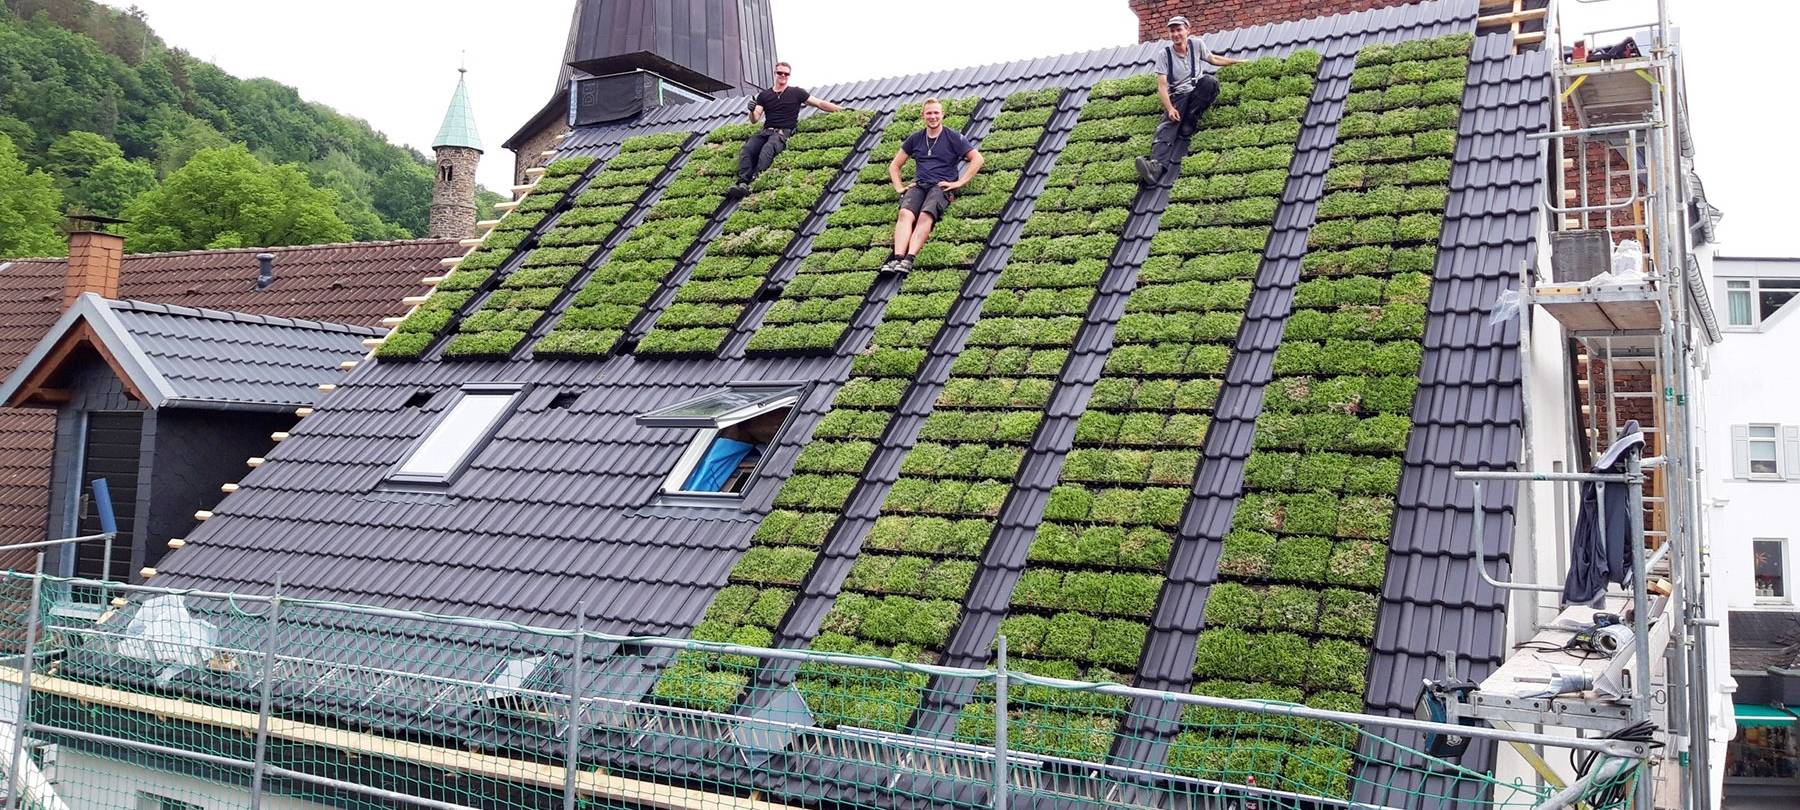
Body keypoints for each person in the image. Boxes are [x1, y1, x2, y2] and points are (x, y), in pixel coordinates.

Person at [1135, 15, 1243, 186]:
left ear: (1187, 30)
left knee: (1210, 82)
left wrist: (1237, 62)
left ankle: (1189, 122)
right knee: (1166, 128)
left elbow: (1213, 59)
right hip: (1179, 96)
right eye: (1172, 31)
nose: (1176, 34)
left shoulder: (1197, 44)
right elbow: (1162, 86)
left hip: (1197, 91)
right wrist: (1170, 108)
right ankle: (1155, 168)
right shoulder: (1164, 55)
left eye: (1179, 30)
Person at [882, 98, 984, 275]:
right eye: (929, 113)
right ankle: (897, 258)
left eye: (936, 112)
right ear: (923, 116)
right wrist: (899, 187)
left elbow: (977, 158)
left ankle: (909, 258)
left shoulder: (953, 137)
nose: (933, 116)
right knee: (904, 213)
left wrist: (959, 183)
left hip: (941, 186)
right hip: (920, 185)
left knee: (925, 215)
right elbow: (894, 165)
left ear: (942, 114)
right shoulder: (915, 139)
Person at [729, 62, 843, 197]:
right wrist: (751, 110)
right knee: (747, 149)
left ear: (789, 76)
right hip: (766, 131)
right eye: (780, 73)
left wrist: (841, 110)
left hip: (783, 132)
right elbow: (755, 119)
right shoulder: (764, 95)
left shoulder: (796, 93)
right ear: (775, 74)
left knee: (768, 149)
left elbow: (819, 103)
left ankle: (754, 182)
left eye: (786, 74)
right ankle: (742, 182)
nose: (783, 76)